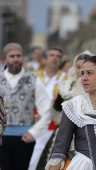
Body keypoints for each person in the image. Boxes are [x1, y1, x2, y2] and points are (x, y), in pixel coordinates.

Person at [0, 42, 51, 170]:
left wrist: (34, 133)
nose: (16, 59)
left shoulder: (33, 80)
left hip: (25, 138)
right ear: (5, 58)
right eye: (12, 56)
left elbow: (46, 110)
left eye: (19, 55)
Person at [29, 47, 67, 170]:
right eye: (52, 55)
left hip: (54, 124)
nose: (55, 58)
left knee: (48, 157)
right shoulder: (33, 76)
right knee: (32, 157)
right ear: (45, 59)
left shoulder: (66, 79)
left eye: (58, 56)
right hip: (35, 122)